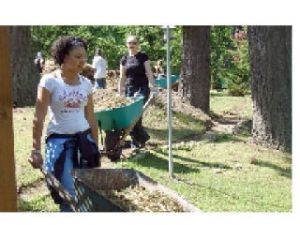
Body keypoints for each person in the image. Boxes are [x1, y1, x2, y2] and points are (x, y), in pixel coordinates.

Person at [29, 36, 100, 212]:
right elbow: (38, 118)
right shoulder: (49, 81)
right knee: (67, 192)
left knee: (85, 189)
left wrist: (95, 147)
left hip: (84, 140)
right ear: (63, 57)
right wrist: (35, 149)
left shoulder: (86, 84)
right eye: (77, 56)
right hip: (59, 143)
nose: (83, 61)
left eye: (84, 56)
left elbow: (91, 118)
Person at [118, 35, 157, 148]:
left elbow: (149, 73)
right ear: (126, 44)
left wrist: (154, 87)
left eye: (134, 43)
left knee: (137, 114)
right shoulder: (124, 59)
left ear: (138, 44)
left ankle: (138, 140)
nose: (132, 45)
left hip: (142, 88)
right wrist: (120, 92)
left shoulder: (143, 57)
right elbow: (122, 77)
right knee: (130, 116)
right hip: (129, 89)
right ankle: (141, 139)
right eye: (130, 43)